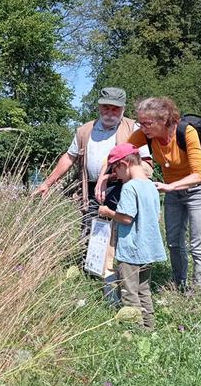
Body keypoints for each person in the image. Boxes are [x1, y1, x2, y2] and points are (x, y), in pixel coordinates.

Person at [35, 87, 152, 300]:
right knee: (90, 231)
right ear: (98, 107)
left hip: (122, 187)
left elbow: (146, 164)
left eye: (115, 109)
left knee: (120, 234)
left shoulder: (133, 129)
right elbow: (69, 158)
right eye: (105, 107)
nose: (110, 112)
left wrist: (110, 177)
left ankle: (122, 281)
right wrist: (48, 183)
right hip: (89, 187)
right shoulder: (84, 130)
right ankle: (92, 277)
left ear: (123, 109)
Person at [125, 97, 201, 291]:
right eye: (140, 123)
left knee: (198, 243)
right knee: (173, 241)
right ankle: (179, 284)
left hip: (198, 190)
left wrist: (171, 187)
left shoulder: (186, 133)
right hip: (172, 190)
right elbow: (123, 152)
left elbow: (200, 173)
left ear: (164, 120)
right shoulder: (146, 135)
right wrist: (106, 175)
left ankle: (199, 292)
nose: (143, 128)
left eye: (147, 123)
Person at [98, 143, 166, 329]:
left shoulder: (129, 187)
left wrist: (107, 212)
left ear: (124, 164)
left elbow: (126, 218)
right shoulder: (151, 186)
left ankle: (135, 332)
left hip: (132, 249)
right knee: (144, 289)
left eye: (115, 169)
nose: (116, 175)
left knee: (129, 292)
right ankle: (149, 326)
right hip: (148, 248)